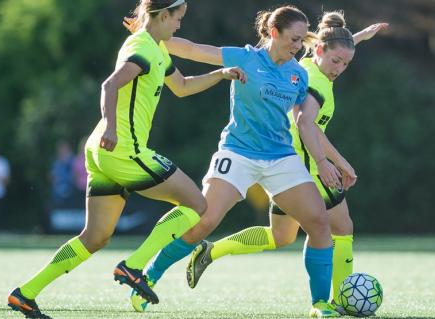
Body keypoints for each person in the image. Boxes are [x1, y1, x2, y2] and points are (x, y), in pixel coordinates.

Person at [7, 0, 246, 318]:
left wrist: (221, 74)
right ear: (163, 15)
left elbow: (183, 86)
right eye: (178, 18)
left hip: (101, 152)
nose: (179, 25)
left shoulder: (156, 48)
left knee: (95, 237)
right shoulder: (144, 48)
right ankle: (134, 267)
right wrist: (112, 127)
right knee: (197, 206)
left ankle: (25, 293)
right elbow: (110, 85)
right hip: (123, 149)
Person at [127, 5, 341, 317]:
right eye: (292, 39)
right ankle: (147, 277)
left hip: (280, 157)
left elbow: (305, 123)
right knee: (204, 221)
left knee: (319, 223)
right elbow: (191, 49)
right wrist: (146, 35)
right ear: (273, 32)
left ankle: (320, 304)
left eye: (300, 41)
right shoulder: (246, 57)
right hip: (238, 152)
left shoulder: (298, 74)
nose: (297, 47)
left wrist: (323, 162)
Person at [176, 12, 388, 312]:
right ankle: (339, 301)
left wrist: (362, 36)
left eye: (346, 63)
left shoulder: (307, 66)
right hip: (304, 168)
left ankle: (211, 251)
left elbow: (334, 45)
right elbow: (306, 124)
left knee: (281, 236)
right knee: (341, 227)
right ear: (319, 52)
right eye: (336, 62)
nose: (340, 68)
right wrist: (337, 162)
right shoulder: (314, 81)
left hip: (285, 163)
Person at [49, 141, 76, 207]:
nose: (62, 151)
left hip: (72, 191)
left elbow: (75, 176)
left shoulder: (74, 161)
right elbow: (52, 176)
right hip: (58, 193)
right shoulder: (56, 163)